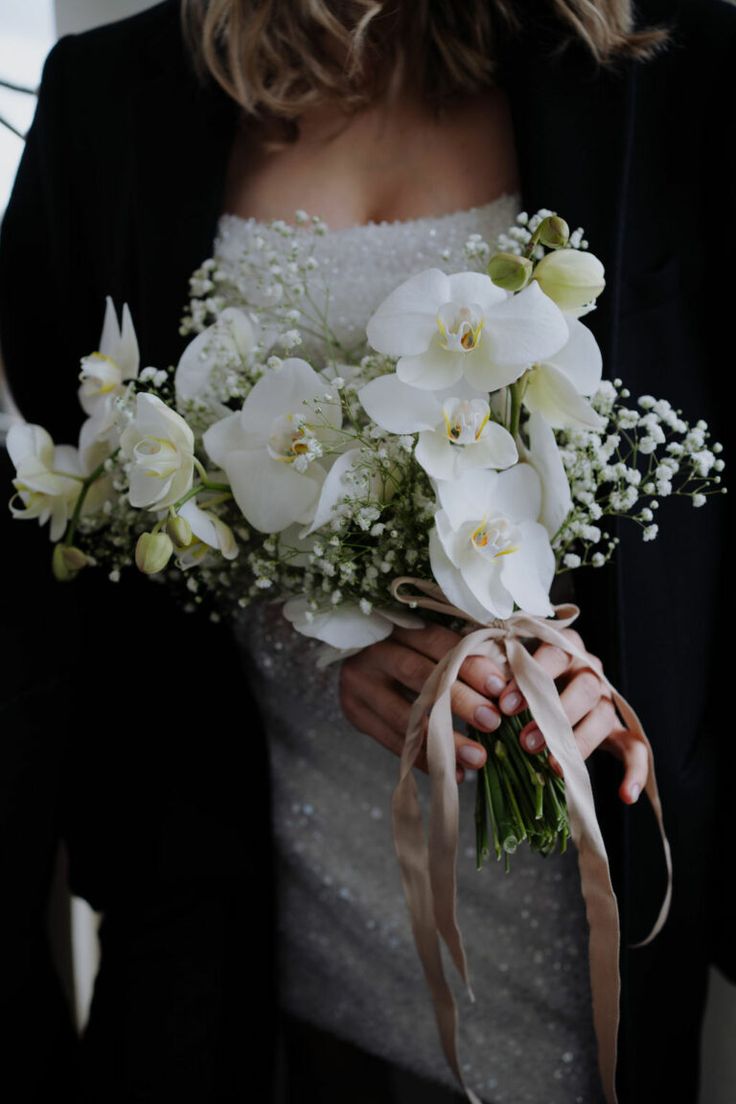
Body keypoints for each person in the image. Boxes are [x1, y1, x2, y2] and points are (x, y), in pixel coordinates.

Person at [0, 0, 732, 1101]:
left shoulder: (668, 67)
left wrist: (605, 682)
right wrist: (308, 634)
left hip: (582, 914)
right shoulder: (108, 99)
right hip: (245, 950)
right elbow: (72, 541)